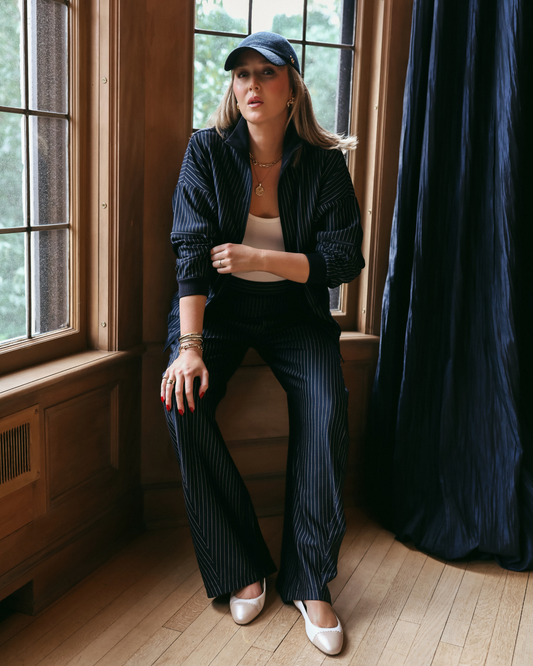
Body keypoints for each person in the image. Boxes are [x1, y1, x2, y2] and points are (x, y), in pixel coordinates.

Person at [161, 31, 364, 656]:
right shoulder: (206, 151)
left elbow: (342, 260)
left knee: (326, 410)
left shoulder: (324, 165)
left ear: (292, 89)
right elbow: (191, 251)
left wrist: (260, 258)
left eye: (267, 73)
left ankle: (310, 581)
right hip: (219, 312)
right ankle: (241, 564)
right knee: (182, 400)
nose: (252, 85)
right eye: (242, 74)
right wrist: (190, 345)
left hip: (295, 316)